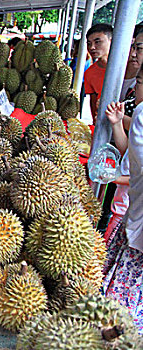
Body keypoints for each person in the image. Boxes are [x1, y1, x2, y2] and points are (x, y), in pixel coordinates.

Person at [103, 62, 143, 334]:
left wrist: (116, 178)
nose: (135, 85)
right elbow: (131, 154)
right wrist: (118, 124)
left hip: (135, 218)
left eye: (139, 81)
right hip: (130, 213)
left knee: (122, 300)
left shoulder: (142, 113)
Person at [84, 23, 113, 121]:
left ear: (111, 41)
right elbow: (93, 103)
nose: (92, 47)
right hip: (104, 121)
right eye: (89, 43)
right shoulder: (89, 73)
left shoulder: (127, 68)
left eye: (97, 42)